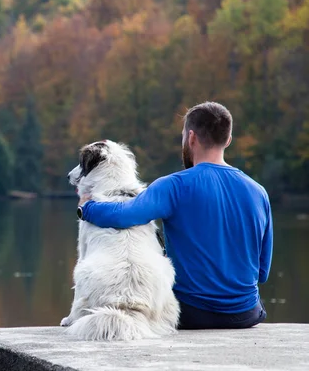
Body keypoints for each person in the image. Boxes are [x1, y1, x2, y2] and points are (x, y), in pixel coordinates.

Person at [77, 102, 273, 329]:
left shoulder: (173, 186)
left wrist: (87, 207)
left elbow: (124, 215)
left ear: (191, 137)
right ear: (228, 140)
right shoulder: (259, 192)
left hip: (192, 314)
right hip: (247, 314)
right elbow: (262, 272)